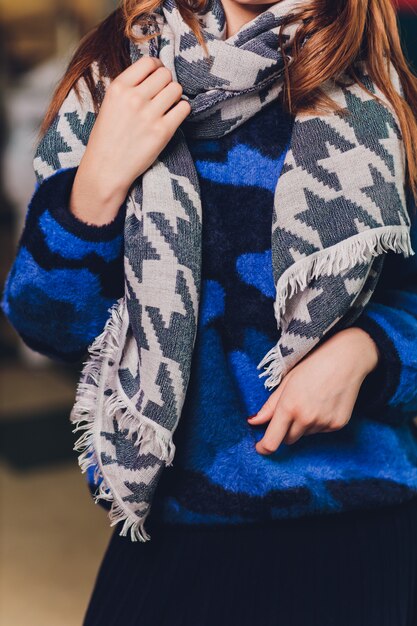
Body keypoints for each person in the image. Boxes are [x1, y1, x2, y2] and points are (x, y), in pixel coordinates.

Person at [3, 0, 417, 624]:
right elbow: (47, 326)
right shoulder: (114, 74)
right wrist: (97, 185)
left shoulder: (387, 82)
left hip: (363, 525)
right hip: (175, 529)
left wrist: (370, 352)